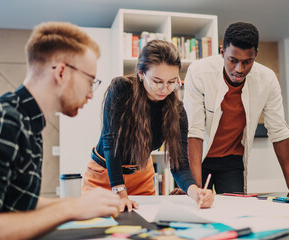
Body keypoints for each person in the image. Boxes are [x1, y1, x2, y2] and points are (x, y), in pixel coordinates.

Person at [0, 22, 121, 240]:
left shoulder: (27, 123)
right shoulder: (1, 122)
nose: (91, 94)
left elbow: (18, 201)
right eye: (90, 81)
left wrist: (80, 204)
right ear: (61, 72)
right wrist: (72, 209)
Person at [183, 22, 289, 194]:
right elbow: (194, 131)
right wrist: (195, 189)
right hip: (197, 157)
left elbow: (278, 130)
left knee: (233, 213)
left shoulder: (267, 79)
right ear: (222, 52)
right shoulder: (199, 72)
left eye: (247, 62)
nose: (239, 69)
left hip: (231, 160)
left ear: (256, 54)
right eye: (233, 60)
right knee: (196, 209)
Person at [82, 40, 214, 211]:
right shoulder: (122, 89)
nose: (164, 89)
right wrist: (120, 193)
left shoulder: (177, 110)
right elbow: (111, 141)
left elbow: (179, 164)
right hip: (105, 174)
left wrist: (196, 192)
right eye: (157, 81)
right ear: (141, 74)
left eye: (171, 82)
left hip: (141, 177)